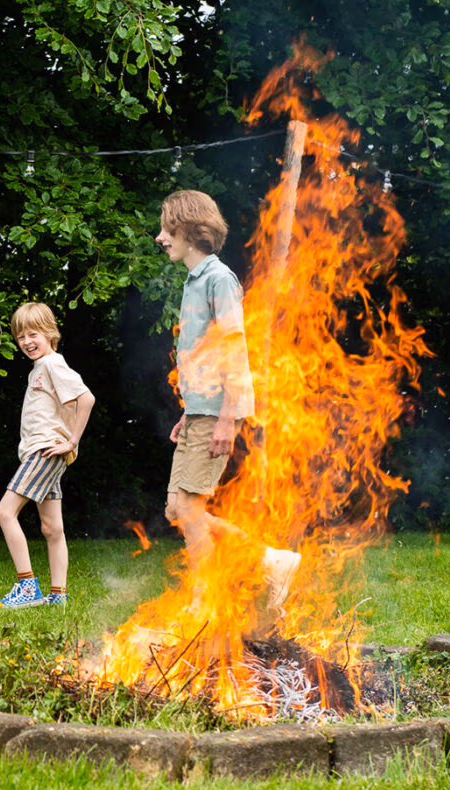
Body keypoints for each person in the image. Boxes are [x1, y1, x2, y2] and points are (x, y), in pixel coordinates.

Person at [156, 190, 300, 618]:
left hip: (217, 412)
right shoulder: (194, 280)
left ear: (189, 230)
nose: (160, 238)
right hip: (200, 410)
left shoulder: (219, 279)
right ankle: (269, 561)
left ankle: (205, 600)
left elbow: (236, 352)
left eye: (167, 229)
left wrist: (225, 419)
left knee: (189, 509)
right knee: (176, 509)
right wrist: (189, 411)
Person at [0, 302, 95, 610]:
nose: (26, 342)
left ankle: (27, 586)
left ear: (49, 333)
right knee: (52, 528)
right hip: (43, 452)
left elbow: (86, 398)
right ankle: (58, 595)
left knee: (4, 513)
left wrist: (71, 442)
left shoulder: (51, 364)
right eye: (20, 336)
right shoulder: (40, 368)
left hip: (45, 451)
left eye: (33, 334)